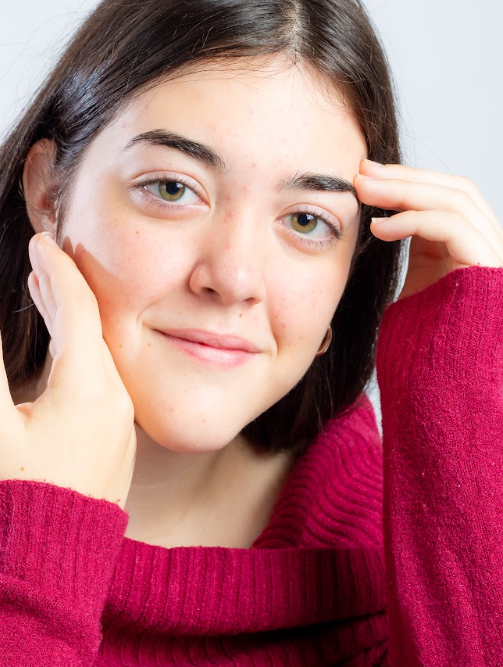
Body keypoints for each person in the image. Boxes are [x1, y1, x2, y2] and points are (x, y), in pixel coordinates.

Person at [0, 0, 501, 665]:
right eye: (172, 188)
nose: (234, 278)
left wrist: (457, 398)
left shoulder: (399, 557)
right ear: (47, 191)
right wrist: (37, 545)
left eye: (306, 221)